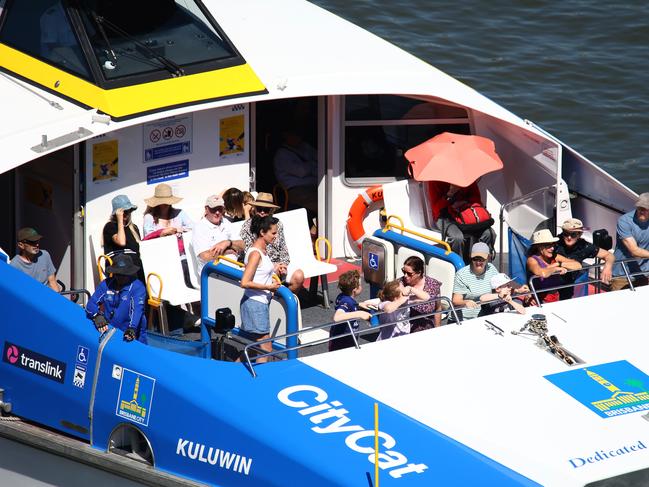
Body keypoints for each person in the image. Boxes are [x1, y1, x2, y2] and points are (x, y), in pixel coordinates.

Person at [240, 193, 305, 293]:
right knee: (272, 278)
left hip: (278, 266)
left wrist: (283, 265)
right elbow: (250, 254)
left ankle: (283, 304)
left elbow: (283, 249)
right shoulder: (247, 227)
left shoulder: (277, 224)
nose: (262, 212)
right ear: (254, 209)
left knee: (299, 276)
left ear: (271, 211)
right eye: (259, 208)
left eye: (265, 210)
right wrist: (273, 266)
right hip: (260, 268)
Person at [240, 215, 282, 362]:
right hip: (255, 304)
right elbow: (245, 282)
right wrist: (268, 286)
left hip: (260, 303)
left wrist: (275, 268)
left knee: (254, 348)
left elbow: (260, 272)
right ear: (262, 233)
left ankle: (231, 373)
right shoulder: (255, 254)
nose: (276, 236)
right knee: (266, 349)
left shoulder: (262, 251)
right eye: (273, 233)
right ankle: (262, 382)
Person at [86, 254, 148, 344]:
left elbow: (137, 310)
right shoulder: (106, 284)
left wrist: (132, 328)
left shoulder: (138, 287)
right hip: (110, 333)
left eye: (124, 275)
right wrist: (97, 316)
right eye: (118, 274)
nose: (120, 277)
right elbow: (91, 304)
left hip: (132, 335)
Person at [452, 242, 522, 320]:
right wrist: (466, 302)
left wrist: (518, 288)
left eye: (481, 259)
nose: (478, 262)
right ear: (470, 257)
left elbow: (502, 282)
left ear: (488, 258)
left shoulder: (491, 268)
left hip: (485, 315)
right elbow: (456, 301)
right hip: (464, 319)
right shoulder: (461, 275)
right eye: (475, 259)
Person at [429, 180, 495, 261]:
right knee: (457, 237)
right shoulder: (434, 181)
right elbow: (436, 209)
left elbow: (476, 199)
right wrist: (450, 194)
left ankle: (481, 263)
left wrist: (464, 204)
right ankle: (459, 266)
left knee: (490, 233)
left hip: (466, 214)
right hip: (445, 216)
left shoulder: (467, 177)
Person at [556, 218, 615, 299]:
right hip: (551, 283)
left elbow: (609, 255)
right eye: (566, 234)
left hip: (570, 285)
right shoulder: (553, 243)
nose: (569, 237)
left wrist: (607, 268)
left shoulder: (585, 246)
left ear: (579, 235)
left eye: (573, 235)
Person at [192, 195, 244, 274]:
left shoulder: (225, 222)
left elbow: (243, 245)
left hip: (234, 268)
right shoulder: (200, 227)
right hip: (213, 274)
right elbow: (205, 256)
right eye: (213, 209)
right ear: (206, 209)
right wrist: (227, 251)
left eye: (219, 209)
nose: (217, 212)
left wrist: (227, 243)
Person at [526, 229, 581, 303]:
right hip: (537, 300)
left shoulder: (555, 257)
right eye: (548, 245)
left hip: (554, 298)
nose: (552, 248)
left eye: (553, 245)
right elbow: (542, 273)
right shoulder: (532, 260)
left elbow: (578, 265)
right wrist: (555, 268)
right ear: (539, 247)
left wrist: (560, 264)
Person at [273, 128, 318, 216]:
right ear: (286, 136)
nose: (297, 138)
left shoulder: (304, 147)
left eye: (299, 135)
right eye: (294, 135)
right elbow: (301, 171)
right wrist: (313, 165)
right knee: (323, 205)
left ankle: (314, 228)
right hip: (296, 190)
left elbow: (320, 158)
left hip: (314, 186)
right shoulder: (282, 154)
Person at [610, 193, 649, 290]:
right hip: (622, 274)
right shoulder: (624, 221)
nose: (641, 211)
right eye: (639, 208)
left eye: (645, 209)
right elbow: (634, 251)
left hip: (645, 272)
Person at [329, 270, 373, 351]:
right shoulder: (346, 301)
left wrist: (358, 305)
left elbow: (348, 305)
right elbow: (337, 317)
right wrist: (360, 313)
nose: (361, 286)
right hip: (342, 342)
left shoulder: (343, 296)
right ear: (355, 290)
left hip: (345, 338)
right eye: (360, 285)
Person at [400, 256, 442, 330]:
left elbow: (437, 308)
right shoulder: (400, 283)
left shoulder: (433, 285)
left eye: (409, 274)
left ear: (419, 273)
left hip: (426, 327)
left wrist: (437, 329)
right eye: (404, 271)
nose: (405, 275)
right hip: (403, 327)